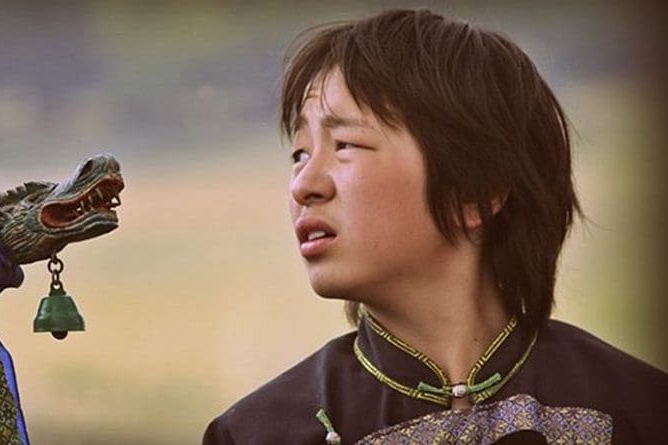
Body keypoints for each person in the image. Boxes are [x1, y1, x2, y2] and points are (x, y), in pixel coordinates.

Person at [202, 8, 668, 445]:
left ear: (478, 191)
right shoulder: (256, 433)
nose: (304, 184)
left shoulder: (638, 409)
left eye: (344, 144)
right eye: (299, 153)